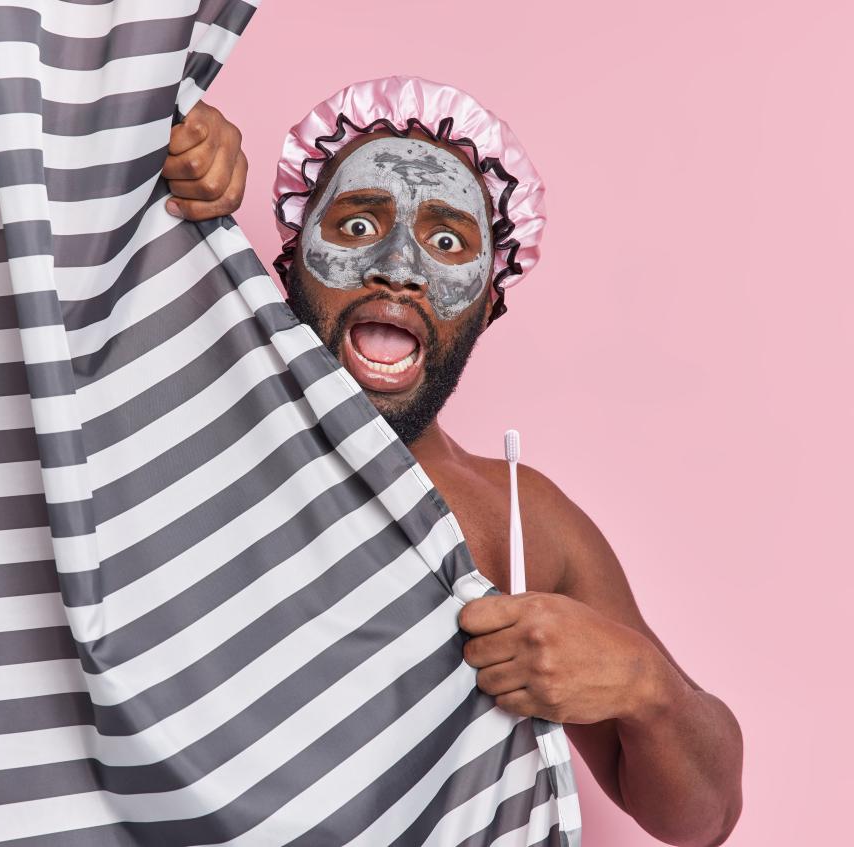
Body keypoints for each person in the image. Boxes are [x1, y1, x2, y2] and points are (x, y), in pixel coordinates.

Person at [274, 76, 744, 846]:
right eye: (358, 225)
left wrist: (642, 684)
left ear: (487, 302)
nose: (399, 267)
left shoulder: (525, 516)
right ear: (289, 261)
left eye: (449, 242)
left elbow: (704, 817)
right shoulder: (193, 426)